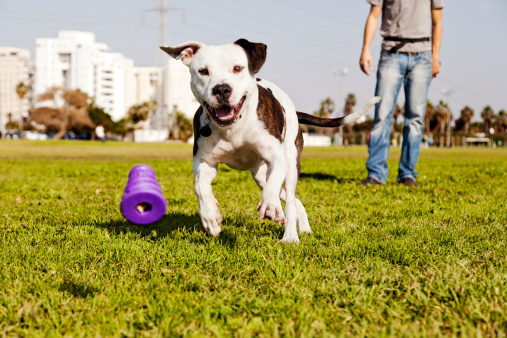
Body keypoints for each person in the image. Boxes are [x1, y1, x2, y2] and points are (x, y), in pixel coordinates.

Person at [357, 0, 443, 187]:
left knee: (415, 118)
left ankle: (408, 174)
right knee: (382, 115)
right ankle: (376, 174)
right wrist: (365, 49)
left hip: (422, 55)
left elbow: (438, 21)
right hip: (391, 53)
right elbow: (374, 15)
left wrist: (435, 57)